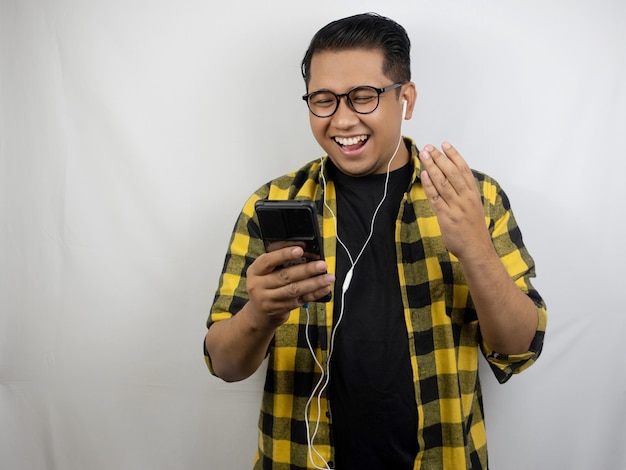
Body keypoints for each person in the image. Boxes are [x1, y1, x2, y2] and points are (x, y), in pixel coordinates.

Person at [204, 12, 547, 470]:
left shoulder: (473, 197)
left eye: (363, 97)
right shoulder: (273, 203)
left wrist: (475, 248)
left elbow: (519, 347)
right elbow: (224, 364)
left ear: (406, 98)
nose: (342, 120)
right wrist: (260, 313)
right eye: (323, 100)